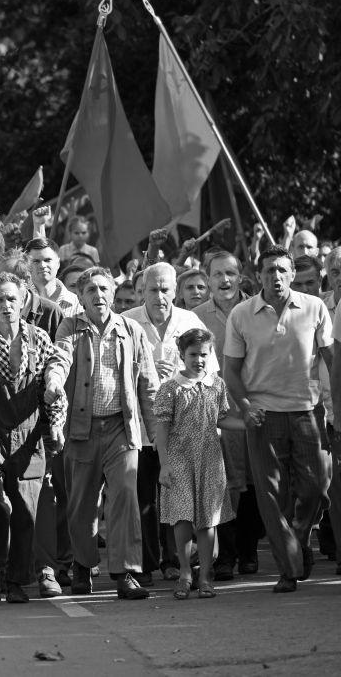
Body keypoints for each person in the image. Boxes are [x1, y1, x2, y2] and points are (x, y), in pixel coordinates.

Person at [226, 245, 332, 593]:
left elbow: (331, 359)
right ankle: (288, 568)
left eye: (283, 270)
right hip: (263, 415)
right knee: (272, 496)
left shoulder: (314, 307)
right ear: (259, 275)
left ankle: (298, 541)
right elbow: (231, 371)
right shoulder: (241, 314)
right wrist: (245, 406)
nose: (276, 276)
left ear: (292, 273)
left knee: (316, 489)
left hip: (308, 412)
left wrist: (335, 406)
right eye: (270, 270)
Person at [51, 266, 157, 601]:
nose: (98, 295)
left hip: (121, 429)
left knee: (125, 496)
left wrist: (157, 435)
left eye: (103, 289)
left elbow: (148, 385)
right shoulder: (70, 326)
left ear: (113, 293)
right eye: (91, 290)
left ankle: (125, 573)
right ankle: (83, 566)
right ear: (80, 298)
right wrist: (53, 381)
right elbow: (60, 358)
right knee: (81, 504)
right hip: (80, 429)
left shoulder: (131, 330)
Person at [0, 273, 66, 605]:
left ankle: (17, 580)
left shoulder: (40, 338)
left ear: (22, 302)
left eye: (11, 299)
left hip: (29, 436)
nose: (6, 305)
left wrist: (56, 426)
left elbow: (53, 390)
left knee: (24, 510)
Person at [123, 263, 216, 585]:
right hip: (140, 426)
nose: (159, 296)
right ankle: (146, 564)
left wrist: (178, 373)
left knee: (176, 497)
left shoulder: (190, 321)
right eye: (153, 289)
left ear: (175, 291)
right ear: (142, 291)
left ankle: (174, 560)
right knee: (144, 499)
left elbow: (209, 372)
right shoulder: (127, 322)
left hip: (182, 429)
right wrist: (146, 369)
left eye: (165, 290)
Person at [154, 328, 252, 601]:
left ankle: (206, 576)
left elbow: (221, 419)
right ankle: (185, 573)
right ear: (182, 355)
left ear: (211, 355)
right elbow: (161, 429)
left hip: (210, 460)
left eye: (204, 354)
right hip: (179, 460)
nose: (199, 360)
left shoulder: (217, 385)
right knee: (182, 518)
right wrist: (164, 464)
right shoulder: (170, 388)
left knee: (208, 520)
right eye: (193, 354)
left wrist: (246, 424)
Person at [193, 249, 264, 579]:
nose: (225, 280)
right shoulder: (195, 317)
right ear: (207, 280)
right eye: (217, 274)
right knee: (223, 485)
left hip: (254, 407)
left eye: (230, 273)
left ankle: (250, 550)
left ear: (241, 277)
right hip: (214, 414)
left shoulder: (257, 310)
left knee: (255, 480)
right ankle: (226, 556)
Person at [25, 238, 81, 318]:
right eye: (36, 261)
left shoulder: (77, 303)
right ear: (27, 265)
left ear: (58, 263)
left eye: (47, 260)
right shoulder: (19, 298)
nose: (42, 265)